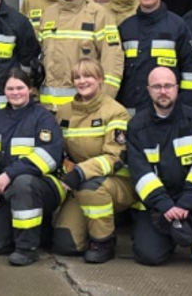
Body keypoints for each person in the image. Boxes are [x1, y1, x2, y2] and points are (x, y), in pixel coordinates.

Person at [126, 66, 192, 269]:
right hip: (158, 204)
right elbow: (141, 174)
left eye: (168, 86)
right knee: (148, 255)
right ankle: (180, 235)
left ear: (177, 87)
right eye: (157, 86)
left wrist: (184, 204)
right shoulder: (137, 126)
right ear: (148, 90)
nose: (163, 91)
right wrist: (165, 205)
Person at [50, 59, 132, 265]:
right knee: (65, 245)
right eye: (77, 77)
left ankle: (103, 241)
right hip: (78, 183)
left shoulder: (116, 111)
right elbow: (60, 151)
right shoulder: (64, 112)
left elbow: (115, 157)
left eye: (88, 76)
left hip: (114, 182)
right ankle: (87, 226)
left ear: (100, 79)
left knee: (91, 187)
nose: (82, 81)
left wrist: (79, 173)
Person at [0, 70, 63, 267]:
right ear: (4, 91)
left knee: (22, 182)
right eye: (10, 88)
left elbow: (49, 157)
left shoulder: (43, 117)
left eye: (20, 88)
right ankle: (38, 230)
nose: (15, 92)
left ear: (30, 89)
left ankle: (27, 249)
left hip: (44, 185)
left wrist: (10, 173)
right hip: (8, 188)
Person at [37, 0, 125, 109]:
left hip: (85, 106)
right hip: (49, 108)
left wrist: (103, 101)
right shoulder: (48, 14)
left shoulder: (99, 14)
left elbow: (112, 61)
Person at [116, 0, 192, 114]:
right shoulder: (125, 27)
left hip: (167, 110)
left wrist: (184, 104)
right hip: (131, 110)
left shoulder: (177, 26)